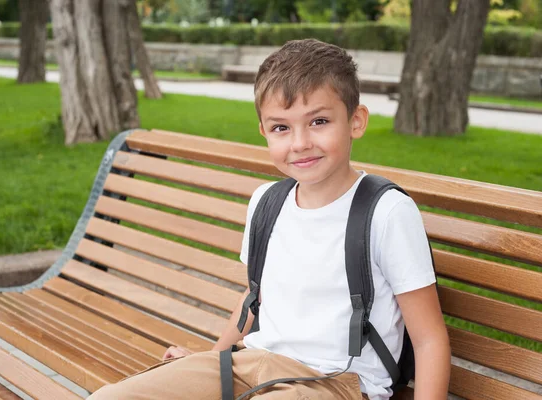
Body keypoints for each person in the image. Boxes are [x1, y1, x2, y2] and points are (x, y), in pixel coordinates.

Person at [88, 38, 451, 400]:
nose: (300, 143)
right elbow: (253, 296)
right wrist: (211, 362)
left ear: (356, 121)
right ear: (263, 130)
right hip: (251, 363)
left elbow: (429, 339)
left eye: (319, 121)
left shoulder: (385, 213)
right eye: (281, 128)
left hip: (333, 383)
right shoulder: (268, 201)